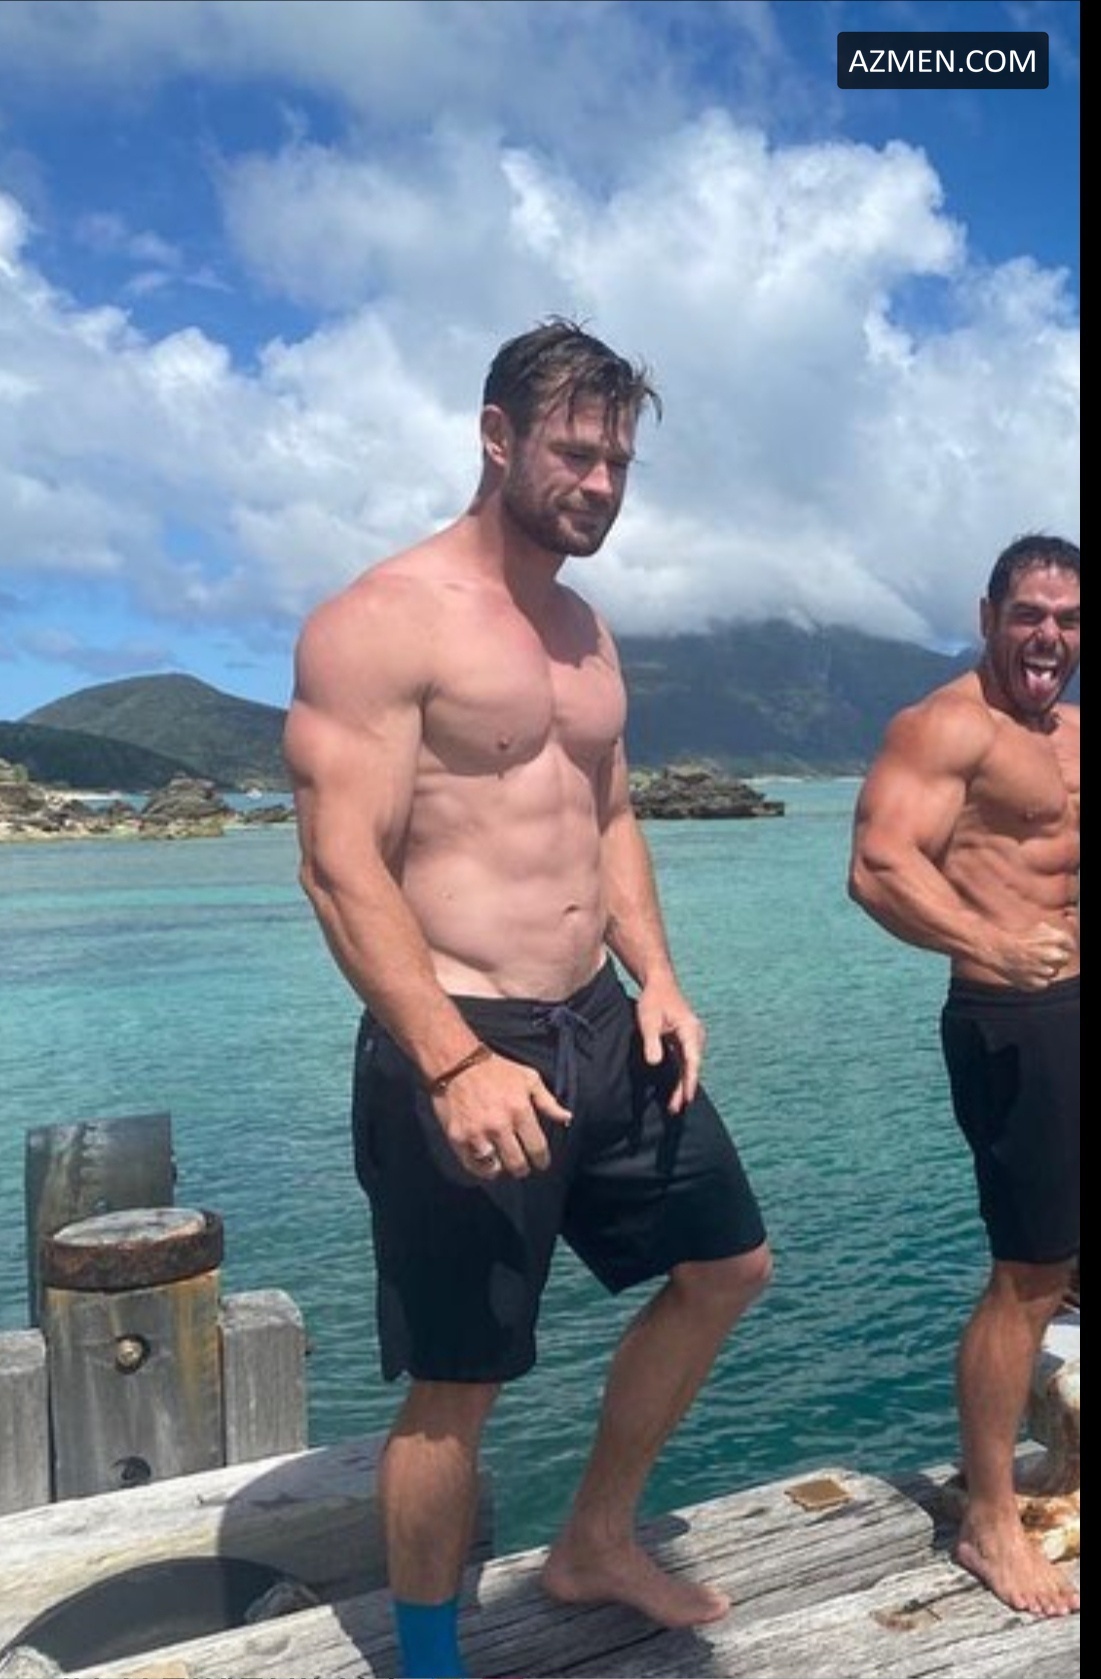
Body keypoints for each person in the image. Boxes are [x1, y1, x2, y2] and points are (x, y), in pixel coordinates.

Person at [283, 318, 772, 1679]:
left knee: (728, 1265)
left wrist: (658, 974)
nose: (599, 484)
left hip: (601, 1022)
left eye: (617, 461)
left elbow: (606, 813)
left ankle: (595, 1538)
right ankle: (432, 1658)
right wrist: (448, 1061)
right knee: (461, 1383)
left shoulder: (584, 629)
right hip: (465, 1034)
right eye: (573, 451)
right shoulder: (380, 621)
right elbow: (338, 865)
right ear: (496, 437)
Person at [847, 533, 1080, 1619]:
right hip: (1012, 1021)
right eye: (1029, 613)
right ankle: (990, 1520)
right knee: (1026, 1273)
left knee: (1066, 1266)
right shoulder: (944, 725)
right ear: (988, 616)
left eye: (1068, 620)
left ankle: (1053, 1467)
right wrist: (990, 943)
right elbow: (878, 864)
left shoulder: (1069, 733)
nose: (1049, 636)